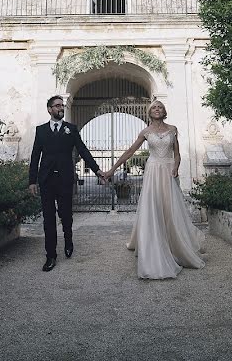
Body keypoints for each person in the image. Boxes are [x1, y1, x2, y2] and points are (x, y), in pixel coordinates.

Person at [102, 100, 205, 279]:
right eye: (154, 108)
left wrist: (176, 167)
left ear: (164, 111)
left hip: (168, 171)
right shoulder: (146, 132)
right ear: (150, 113)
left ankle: (175, 246)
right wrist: (111, 170)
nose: (157, 109)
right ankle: (154, 248)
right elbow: (130, 152)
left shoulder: (173, 129)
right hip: (153, 171)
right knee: (154, 209)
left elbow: (177, 154)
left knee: (170, 210)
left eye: (160, 107)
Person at [29, 95, 106, 272]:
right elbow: (35, 156)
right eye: (57, 106)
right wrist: (32, 181)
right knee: (48, 219)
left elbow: (83, 150)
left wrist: (97, 170)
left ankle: (69, 240)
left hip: (65, 179)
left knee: (66, 215)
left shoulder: (71, 129)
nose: (61, 108)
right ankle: (50, 256)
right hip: (46, 180)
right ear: (49, 109)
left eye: (62, 105)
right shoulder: (40, 131)